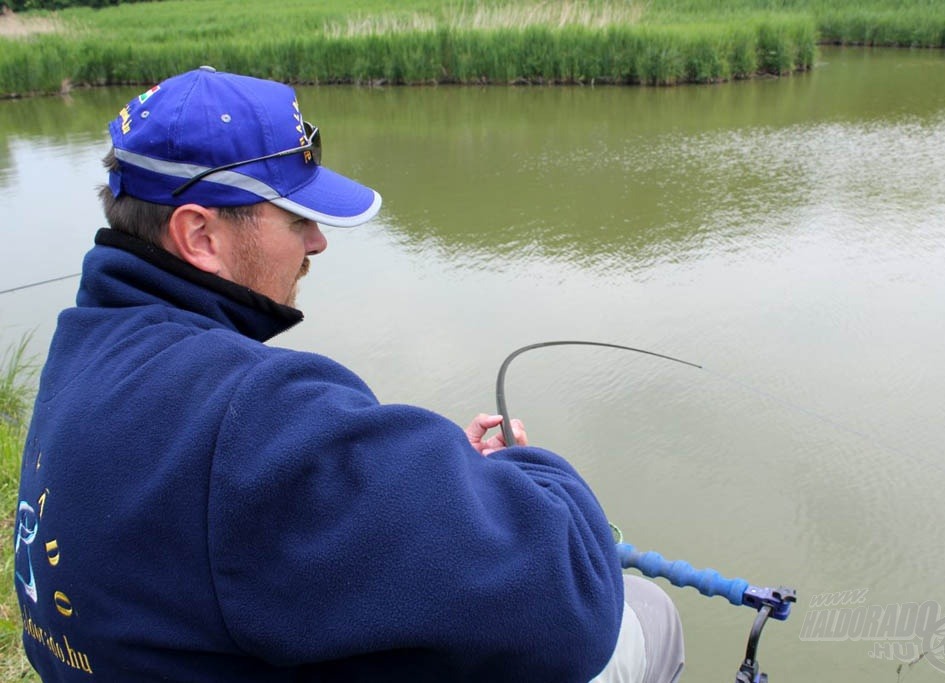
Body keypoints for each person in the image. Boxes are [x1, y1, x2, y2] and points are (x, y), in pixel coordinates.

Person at [13, 66, 683, 682]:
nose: (318, 241)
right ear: (200, 236)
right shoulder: (252, 412)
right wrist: (530, 467)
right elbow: (571, 596)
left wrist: (439, 476)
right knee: (649, 614)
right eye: (299, 216)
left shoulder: (84, 346)